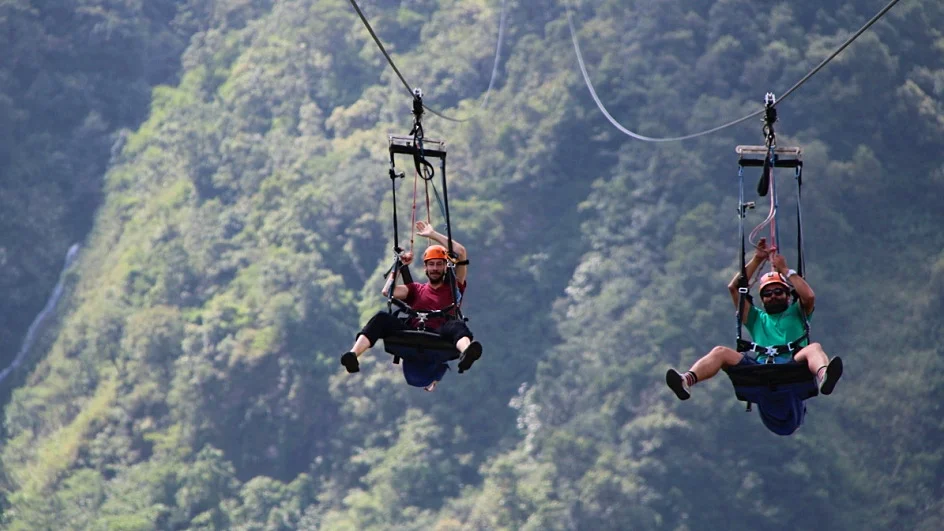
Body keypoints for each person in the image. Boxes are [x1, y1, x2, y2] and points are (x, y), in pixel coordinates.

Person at [666, 238, 843, 405]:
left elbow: (809, 295)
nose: (773, 296)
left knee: (814, 348)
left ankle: (823, 375)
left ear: (788, 296)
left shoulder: (798, 311)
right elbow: (734, 288)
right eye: (767, 294)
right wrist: (757, 259)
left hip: (793, 364)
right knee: (720, 351)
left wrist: (786, 271)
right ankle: (685, 381)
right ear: (762, 299)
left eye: (778, 292)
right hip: (760, 367)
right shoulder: (756, 318)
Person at [340, 221, 482, 391]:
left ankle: (467, 352)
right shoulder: (416, 289)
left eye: (439, 264)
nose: (435, 268)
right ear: (425, 268)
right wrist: (400, 265)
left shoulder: (454, 286)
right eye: (431, 264)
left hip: (441, 333)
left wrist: (433, 234)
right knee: (381, 318)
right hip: (413, 332)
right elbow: (388, 291)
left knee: (457, 326)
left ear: (445, 267)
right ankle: (353, 354)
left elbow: (461, 252)